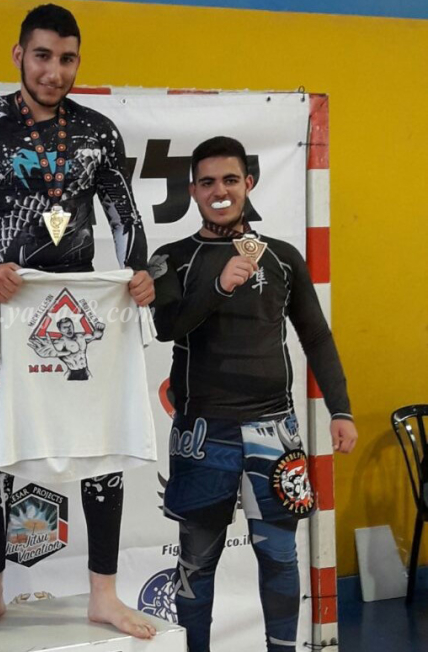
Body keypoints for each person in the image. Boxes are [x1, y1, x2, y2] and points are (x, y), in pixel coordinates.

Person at [0, 3, 156, 639]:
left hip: (76, 311)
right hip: (0, 308)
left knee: (98, 444)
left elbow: (124, 215)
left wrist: (138, 271)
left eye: (67, 58)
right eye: (42, 56)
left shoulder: (98, 131)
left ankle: (104, 595)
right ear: (18, 55)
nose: (54, 71)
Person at [150, 136, 358, 652]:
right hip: (204, 433)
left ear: (249, 183)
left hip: (274, 430)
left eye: (229, 179)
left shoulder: (282, 257)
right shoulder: (170, 257)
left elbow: (316, 336)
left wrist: (341, 409)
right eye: (207, 182)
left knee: (280, 555)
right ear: (192, 190)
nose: (219, 191)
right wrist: (218, 287)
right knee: (196, 560)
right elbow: (167, 327)